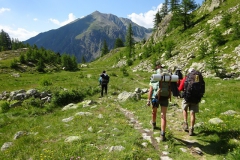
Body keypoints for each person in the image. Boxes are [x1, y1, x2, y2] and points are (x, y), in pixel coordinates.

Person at [147, 61, 170, 141]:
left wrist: (148, 100)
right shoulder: (166, 78)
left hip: (155, 97)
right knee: (163, 115)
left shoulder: (154, 78)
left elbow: (150, 90)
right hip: (165, 97)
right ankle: (162, 133)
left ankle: (153, 123)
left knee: (154, 112)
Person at [178, 68, 205, 136]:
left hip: (187, 97)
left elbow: (180, 88)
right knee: (192, 113)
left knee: (184, 109)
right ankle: (192, 128)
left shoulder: (187, 78)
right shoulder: (198, 78)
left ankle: (185, 122)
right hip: (195, 98)